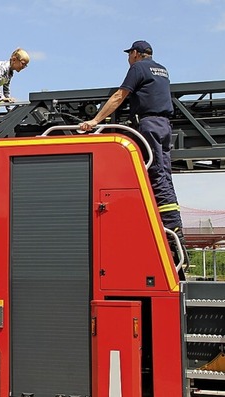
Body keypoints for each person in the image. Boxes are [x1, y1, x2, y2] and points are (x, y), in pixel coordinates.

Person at [79, 40, 188, 274]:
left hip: (149, 124)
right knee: (162, 175)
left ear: (136, 54)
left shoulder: (138, 68)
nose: (128, 58)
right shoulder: (162, 69)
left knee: (156, 176)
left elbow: (120, 95)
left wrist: (95, 120)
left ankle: (171, 229)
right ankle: (173, 228)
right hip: (165, 126)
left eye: (129, 54)